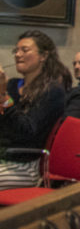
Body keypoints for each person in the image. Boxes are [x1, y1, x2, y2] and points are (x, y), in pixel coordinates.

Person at [0, 31, 70, 189]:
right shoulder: (12, 85)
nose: (18, 55)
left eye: (24, 50)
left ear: (43, 56)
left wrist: (3, 97)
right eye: (16, 51)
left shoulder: (52, 92)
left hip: (23, 166)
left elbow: (26, 130)